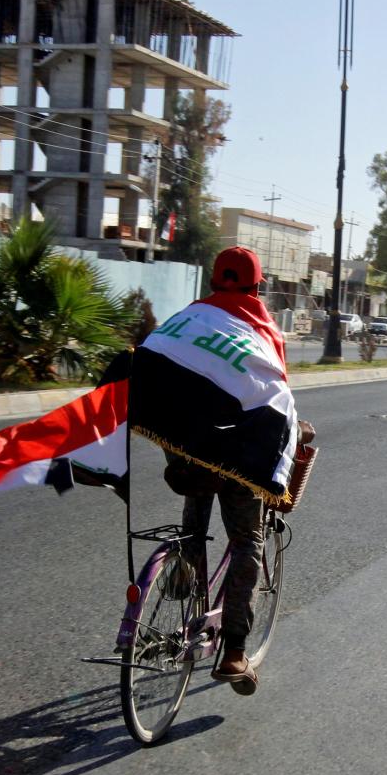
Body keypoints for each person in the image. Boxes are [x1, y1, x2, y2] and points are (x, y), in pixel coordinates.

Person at [163, 247, 313, 696]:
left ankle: (182, 576)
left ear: (213, 281)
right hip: (235, 456)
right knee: (247, 540)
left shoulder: (189, 317)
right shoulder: (263, 328)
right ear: (257, 286)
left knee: (196, 495)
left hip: (185, 450)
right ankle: (232, 653)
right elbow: (274, 398)